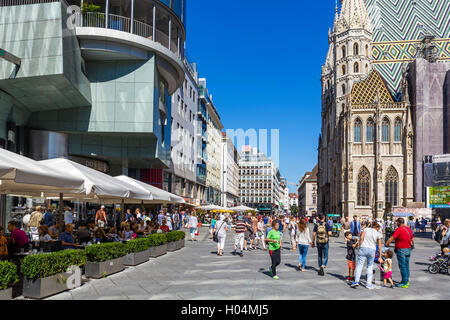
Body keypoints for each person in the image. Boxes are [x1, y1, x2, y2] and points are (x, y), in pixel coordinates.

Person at [351, 222, 383, 289]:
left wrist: (360, 246)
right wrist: (380, 256)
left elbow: (361, 238)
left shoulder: (366, 229)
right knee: (370, 266)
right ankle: (368, 284)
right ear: (377, 228)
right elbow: (379, 246)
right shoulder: (378, 234)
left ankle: (356, 281)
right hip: (372, 250)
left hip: (363, 248)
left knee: (360, 265)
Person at [385, 218, 414, 288]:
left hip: (401, 249)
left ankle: (404, 282)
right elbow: (412, 239)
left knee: (402, 266)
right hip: (408, 249)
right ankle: (406, 281)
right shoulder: (408, 229)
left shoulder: (399, 229)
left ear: (398, 222)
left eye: (396, 222)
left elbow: (392, 238)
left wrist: (386, 244)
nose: (396, 224)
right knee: (406, 265)